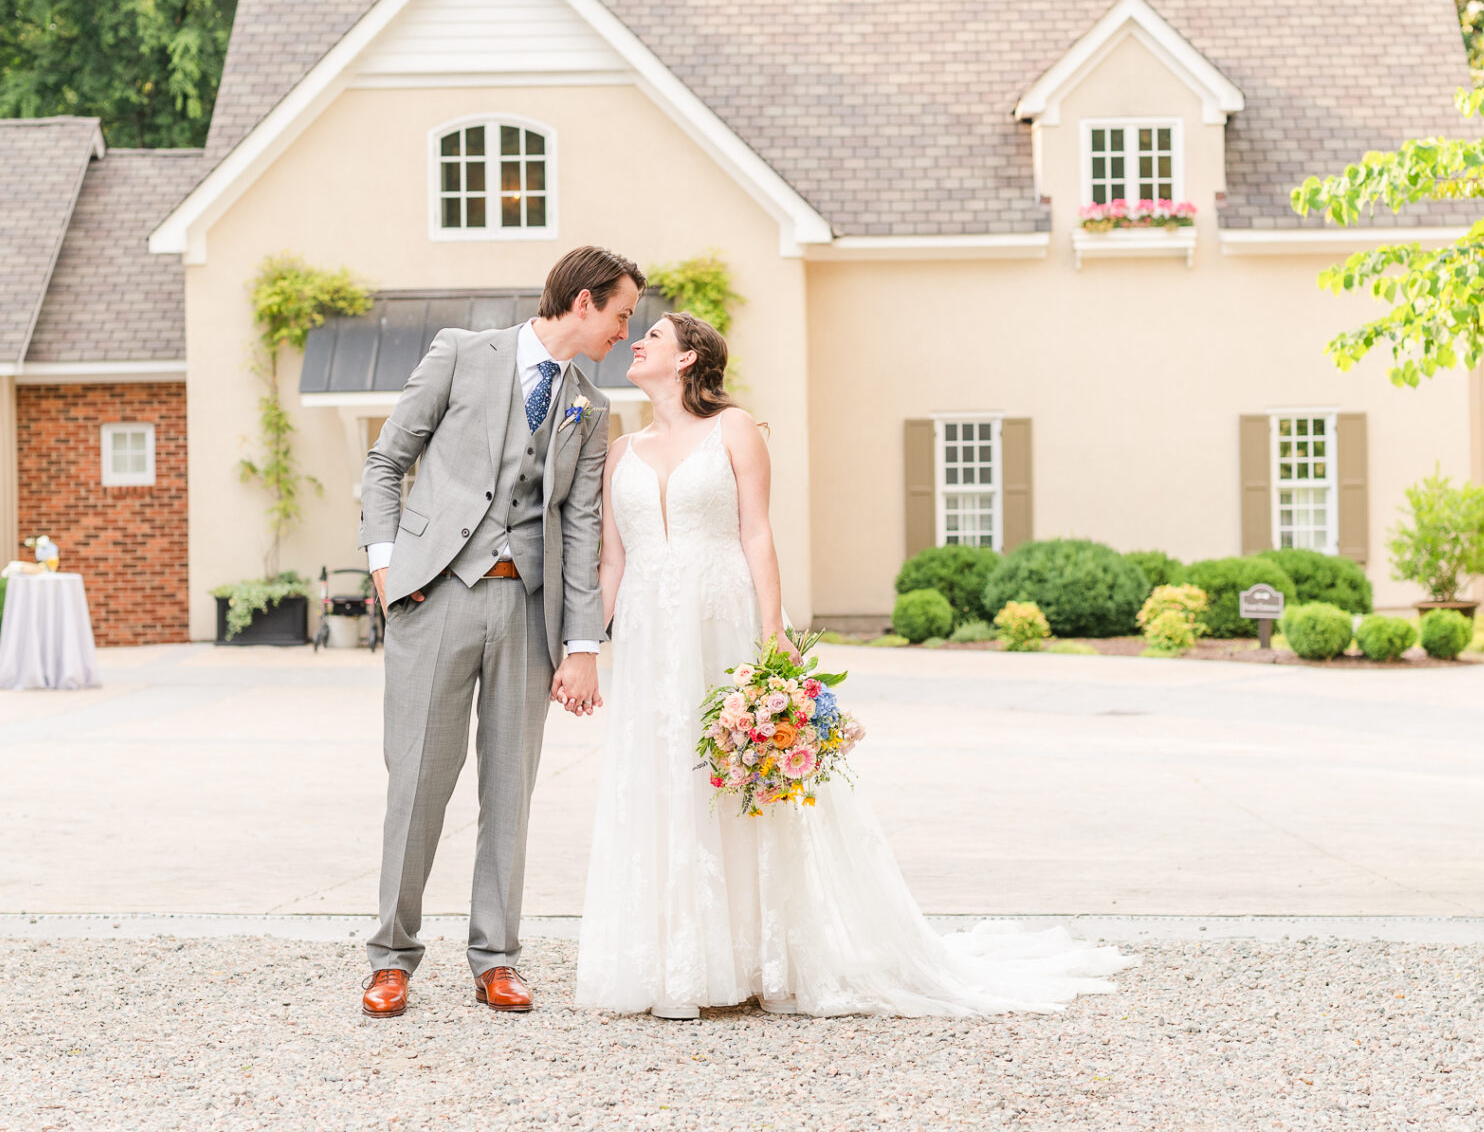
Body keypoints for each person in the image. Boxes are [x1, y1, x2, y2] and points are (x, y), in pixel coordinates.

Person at [573, 311, 1125, 1018]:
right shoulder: (621, 452)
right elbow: (613, 560)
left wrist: (774, 642)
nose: (637, 342)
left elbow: (756, 532)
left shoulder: (734, 429)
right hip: (650, 635)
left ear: (686, 360)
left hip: (722, 621)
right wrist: (584, 645)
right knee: (659, 778)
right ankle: (675, 960)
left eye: (653, 335)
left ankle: (751, 958)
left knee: (735, 783)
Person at [354, 245, 641, 1018]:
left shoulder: (592, 404)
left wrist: (583, 646)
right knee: (416, 784)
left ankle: (497, 957)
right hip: (435, 596)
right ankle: (390, 957)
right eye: (619, 314)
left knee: (510, 789)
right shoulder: (459, 354)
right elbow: (386, 462)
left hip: (527, 612)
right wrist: (387, 569)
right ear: (583, 301)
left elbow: (581, 528)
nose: (624, 330)